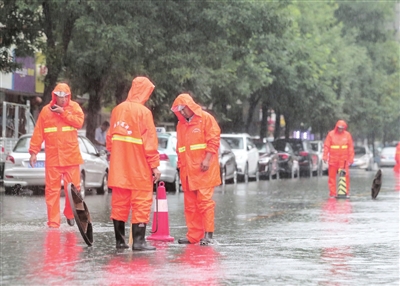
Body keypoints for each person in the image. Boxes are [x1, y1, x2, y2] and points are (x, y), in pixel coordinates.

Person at [106, 76, 161, 251]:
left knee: (119, 205)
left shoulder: (117, 110)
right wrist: (155, 166)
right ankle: (138, 242)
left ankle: (120, 241)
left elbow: (109, 140)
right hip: (139, 169)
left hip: (119, 169)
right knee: (141, 203)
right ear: (145, 91)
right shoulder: (144, 113)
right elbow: (150, 143)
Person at [29, 83, 84, 228]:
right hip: (53, 159)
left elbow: (79, 122)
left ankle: (70, 214)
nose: (63, 100)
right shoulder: (46, 112)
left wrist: (63, 112)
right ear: (55, 97)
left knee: (73, 189)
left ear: (68, 96)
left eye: (65, 97)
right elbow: (38, 132)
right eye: (60, 98)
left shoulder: (74, 108)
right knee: (52, 192)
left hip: (71, 157)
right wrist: (33, 152)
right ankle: (53, 223)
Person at [171, 93, 221, 245]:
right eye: (179, 110)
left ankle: (208, 235)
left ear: (190, 106)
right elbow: (180, 148)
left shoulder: (205, 119)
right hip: (188, 172)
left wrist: (206, 160)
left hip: (203, 170)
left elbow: (213, 140)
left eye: (183, 108)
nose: (182, 112)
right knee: (191, 206)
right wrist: (180, 167)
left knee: (205, 203)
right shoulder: (181, 125)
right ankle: (194, 235)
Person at [323, 120, 354, 198]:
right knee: (332, 177)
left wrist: (351, 158)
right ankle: (332, 193)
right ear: (337, 127)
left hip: (343, 160)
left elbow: (350, 148)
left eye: (342, 128)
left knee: (345, 176)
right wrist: (325, 156)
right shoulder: (331, 134)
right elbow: (326, 146)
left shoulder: (347, 135)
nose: (340, 129)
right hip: (333, 160)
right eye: (339, 128)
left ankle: (345, 192)